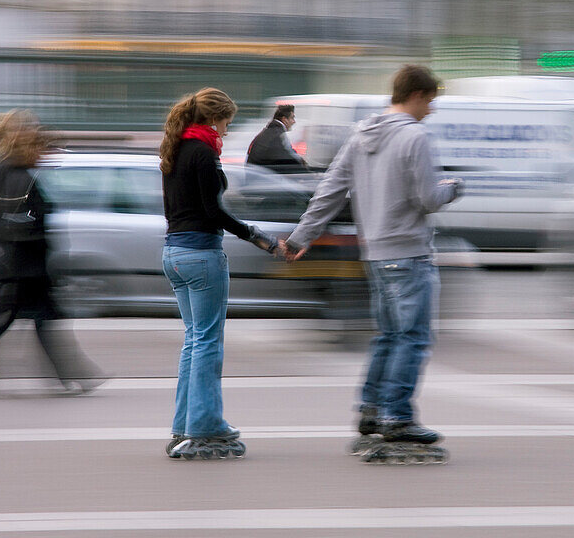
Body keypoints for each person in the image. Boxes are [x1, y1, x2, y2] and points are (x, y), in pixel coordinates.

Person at [282, 65, 462, 464]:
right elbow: (428, 199)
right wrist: (453, 187)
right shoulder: (415, 136)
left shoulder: (361, 135)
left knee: (388, 336)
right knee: (412, 338)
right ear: (416, 95)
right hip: (408, 252)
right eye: (431, 101)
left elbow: (329, 189)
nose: (431, 110)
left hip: (375, 254)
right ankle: (396, 416)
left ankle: (370, 411)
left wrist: (301, 238)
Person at [0, 110, 106, 393]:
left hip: (21, 263)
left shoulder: (5, 170)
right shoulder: (17, 176)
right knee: (8, 319)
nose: (46, 155)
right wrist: (38, 235)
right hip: (21, 265)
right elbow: (16, 221)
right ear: (28, 148)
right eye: (41, 148)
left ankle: (74, 374)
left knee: (41, 320)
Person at [160, 88, 280, 460]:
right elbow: (214, 212)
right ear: (214, 119)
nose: (226, 132)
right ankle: (206, 424)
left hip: (173, 253)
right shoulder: (204, 153)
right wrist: (256, 236)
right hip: (201, 254)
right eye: (227, 123)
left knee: (194, 341)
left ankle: (184, 424)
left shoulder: (175, 149)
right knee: (208, 342)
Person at [245, 103, 309, 174]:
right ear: (284, 119)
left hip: (257, 175)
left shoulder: (271, 132)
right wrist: (306, 172)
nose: (294, 121)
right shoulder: (277, 134)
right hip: (262, 179)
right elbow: (287, 157)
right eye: (292, 118)